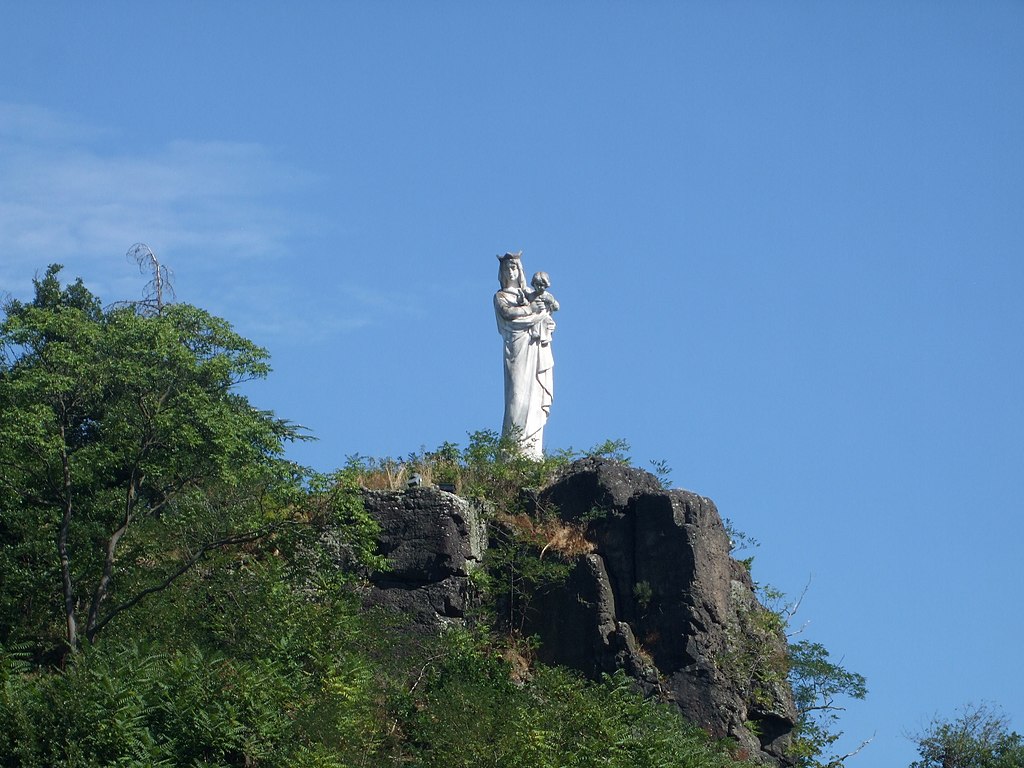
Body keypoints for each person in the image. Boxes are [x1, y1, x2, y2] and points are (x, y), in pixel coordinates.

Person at [493, 252, 556, 459]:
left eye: (515, 267)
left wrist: (544, 317)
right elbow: (508, 314)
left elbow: (549, 308)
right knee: (517, 397)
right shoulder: (501, 296)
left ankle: (531, 448)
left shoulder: (530, 293)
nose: (511, 271)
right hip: (517, 348)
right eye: (507, 268)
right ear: (502, 272)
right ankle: (512, 446)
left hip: (534, 346)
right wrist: (531, 309)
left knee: (534, 397)